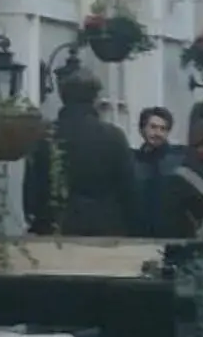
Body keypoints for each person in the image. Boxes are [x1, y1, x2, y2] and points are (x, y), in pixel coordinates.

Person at [24, 70, 138, 236]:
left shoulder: (44, 137)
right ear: (95, 99)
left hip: (54, 226)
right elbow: (129, 190)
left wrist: (37, 220)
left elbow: (31, 190)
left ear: (63, 97)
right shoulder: (113, 136)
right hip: (105, 227)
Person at [127, 106, 182, 237]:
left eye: (163, 129)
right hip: (138, 232)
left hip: (171, 233)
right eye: (153, 127)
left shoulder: (178, 159)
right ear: (142, 129)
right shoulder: (131, 160)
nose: (158, 133)